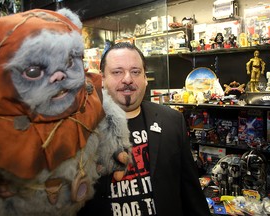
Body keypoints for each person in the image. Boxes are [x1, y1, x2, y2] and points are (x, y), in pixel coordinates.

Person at [78, 42, 211, 216]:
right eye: (117, 72)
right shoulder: (82, 128)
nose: (127, 79)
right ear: (102, 79)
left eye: (135, 72)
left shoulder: (172, 120)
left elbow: (191, 193)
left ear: (145, 78)